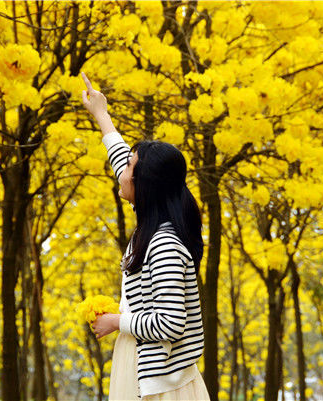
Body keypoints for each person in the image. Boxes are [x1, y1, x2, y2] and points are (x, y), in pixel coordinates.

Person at [80, 71, 211, 401]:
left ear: (144, 186)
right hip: (144, 367)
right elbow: (120, 156)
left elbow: (170, 323)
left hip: (159, 383)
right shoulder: (153, 222)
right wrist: (101, 114)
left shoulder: (164, 244)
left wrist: (116, 320)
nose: (121, 171)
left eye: (129, 169)